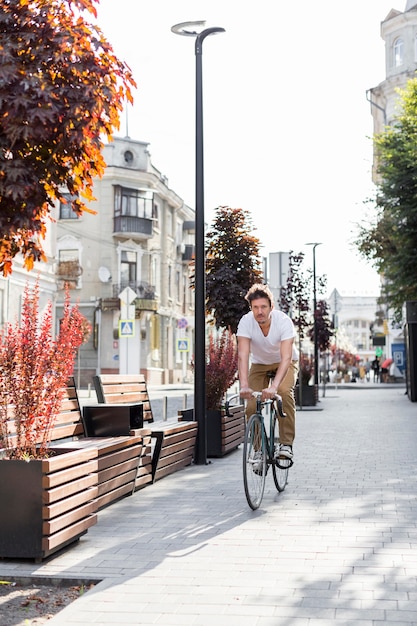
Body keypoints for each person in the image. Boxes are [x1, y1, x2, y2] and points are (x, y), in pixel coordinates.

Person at [237, 283, 299, 460]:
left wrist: (274, 387)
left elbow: (286, 357)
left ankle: (286, 444)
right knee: (250, 405)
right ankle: (259, 450)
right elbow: (242, 355)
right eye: (255, 307)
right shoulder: (246, 322)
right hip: (260, 364)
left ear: (272, 307)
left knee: (284, 392)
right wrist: (244, 386)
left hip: (284, 362)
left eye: (263, 307)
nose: (260, 312)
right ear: (251, 308)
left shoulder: (283, 322)